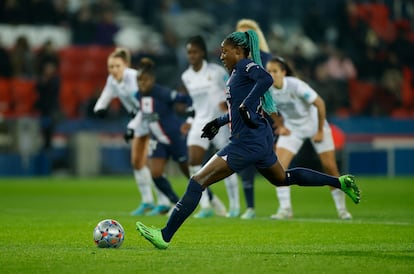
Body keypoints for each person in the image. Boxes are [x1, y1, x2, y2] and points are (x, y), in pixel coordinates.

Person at [135, 30, 360, 249]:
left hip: (246, 141)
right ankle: (339, 182)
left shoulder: (244, 66)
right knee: (283, 178)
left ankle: (164, 235)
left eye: (225, 51)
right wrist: (219, 121)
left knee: (197, 181)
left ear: (238, 51)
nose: (221, 56)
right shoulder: (236, 73)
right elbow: (238, 108)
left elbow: (266, 78)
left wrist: (245, 104)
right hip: (259, 138)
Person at [266, 56, 353, 220]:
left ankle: (342, 210)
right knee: (278, 167)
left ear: (283, 72)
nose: (271, 74)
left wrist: (320, 130)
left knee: (330, 168)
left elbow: (319, 103)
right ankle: (285, 209)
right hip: (293, 128)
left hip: (314, 125)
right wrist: (280, 125)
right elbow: (269, 108)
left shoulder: (296, 85)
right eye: (268, 71)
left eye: (275, 71)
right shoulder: (267, 90)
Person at [93, 47, 170, 216]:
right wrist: (99, 108)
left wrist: (131, 128)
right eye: (111, 67)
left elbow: (145, 105)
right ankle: (148, 201)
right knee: (137, 161)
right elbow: (106, 95)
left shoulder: (135, 78)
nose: (114, 70)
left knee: (152, 161)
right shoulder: (112, 80)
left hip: (151, 118)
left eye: (117, 66)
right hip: (138, 120)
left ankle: (164, 202)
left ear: (126, 65)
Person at [180, 35, 239, 218]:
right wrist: (189, 122)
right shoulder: (186, 76)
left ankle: (235, 206)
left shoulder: (216, 72)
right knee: (193, 162)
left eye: (195, 52)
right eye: (189, 52)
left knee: (227, 164)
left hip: (219, 122)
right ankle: (205, 206)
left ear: (202, 53)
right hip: (200, 122)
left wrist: (231, 118)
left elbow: (230, 93)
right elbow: (195, 103)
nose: (191, 55)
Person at [133, 57, 190, 215]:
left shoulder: (163, 93)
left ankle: (210, 200)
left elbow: (186, 99)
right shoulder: (138, 95)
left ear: (152, 80)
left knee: (189, 173)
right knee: (156, 174)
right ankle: (176, 203)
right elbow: (146, 115)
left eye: (145, 80)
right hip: (157, 139)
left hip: (174, 137)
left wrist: (190, 117)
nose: (142, 84)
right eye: (139, 81)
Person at [234, 18, 273, 219]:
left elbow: (270, 82)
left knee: (277, 166)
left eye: (248, 33)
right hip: (241, 115)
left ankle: (284, 205)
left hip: (264, 114)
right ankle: (249, 207)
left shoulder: (266, 58)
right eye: (241, 33)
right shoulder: (235, 60)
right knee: (245, 161)